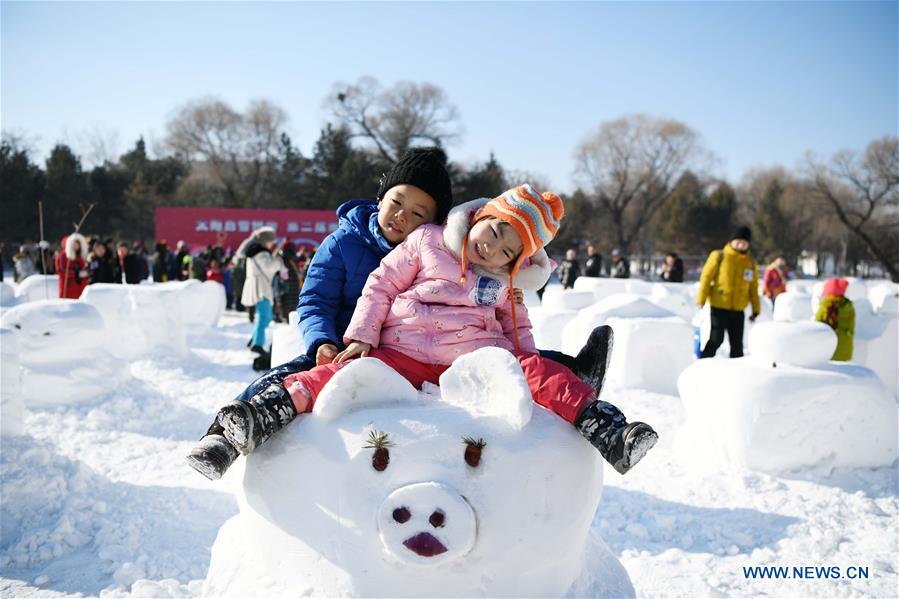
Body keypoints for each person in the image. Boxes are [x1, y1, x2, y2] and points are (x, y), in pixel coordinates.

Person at [201, 184, 658, 482]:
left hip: (472, 357)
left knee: (536, 370)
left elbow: (516, 330)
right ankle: (263, 414)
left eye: (507, 250)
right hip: (402, 348)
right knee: (334, 375)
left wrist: (529, 363)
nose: (492, 248)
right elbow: (380, 285)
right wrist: (360, 336)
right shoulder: (426, 242)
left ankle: (609, 431)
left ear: (517, 262)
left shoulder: (503, 282)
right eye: (494, 231)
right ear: (481, 215)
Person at [186, 147, 456, 478]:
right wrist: (322, 342)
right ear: (381, 197)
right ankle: (222, 438)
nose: (402, 216)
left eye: (417, 213)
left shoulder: (435, 259)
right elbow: (316, 300)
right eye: (397, 203)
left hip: (401, 356)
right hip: (341, 349)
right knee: (283, 379)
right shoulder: (343, 243)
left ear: (433, 224)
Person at [696, 226, 760, 359]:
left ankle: (737, 373)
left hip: (738, 309)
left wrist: (756, 308)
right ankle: (702, 365)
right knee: (716, 339)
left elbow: (753, 287)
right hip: (719, 306)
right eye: (738, 241)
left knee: (737, 345)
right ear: (731, 241)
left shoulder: (750, 263)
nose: (741, 245)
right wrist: (701, 299)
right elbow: (706, 278)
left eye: (744, 243)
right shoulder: (719, 256)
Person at [239, 227, 285, 363]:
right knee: (265, 316)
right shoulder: (261, 253)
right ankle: (257, 344)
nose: (272, 243)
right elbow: (270, 267)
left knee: (264, 316)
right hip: (261, 288)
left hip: (258, 286)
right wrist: (278, 261)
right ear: (266, 241)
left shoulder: (255, 252)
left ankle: (254, 340)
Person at [815, 277, 854, 361]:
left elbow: (816, 325)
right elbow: (851, 327)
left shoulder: (825, 306)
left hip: (828, 350)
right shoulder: (849, 307)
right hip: (845, 349)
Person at [55, 233, 89, 299]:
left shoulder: (81, 257)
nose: (76, 246)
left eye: (78, 244)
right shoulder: (62, 256)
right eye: (75, 244)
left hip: (80, 289)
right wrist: (76, 273)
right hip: (67, 288)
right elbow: (61, 270)